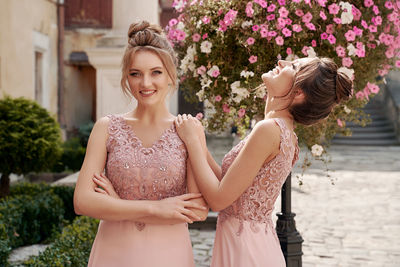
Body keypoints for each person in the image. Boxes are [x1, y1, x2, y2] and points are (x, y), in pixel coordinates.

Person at [174, 57, 352, 267]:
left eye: (293, 66)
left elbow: (219, 200)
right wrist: (199, 144)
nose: (282, 62)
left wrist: (193, 142)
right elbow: (230, 187)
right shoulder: (284, 133)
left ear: (298, 93)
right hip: (252, 244)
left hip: (246, 250)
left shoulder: (269, 130)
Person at [73, 21, 208, 267]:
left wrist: (116, 204)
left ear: (170, 75)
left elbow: (198, 210)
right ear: (127, 77)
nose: (145, 83)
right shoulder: (106, 127)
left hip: (169, 254)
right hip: (113, 252)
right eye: (136, 74)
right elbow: (82, 201)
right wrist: (155, 209)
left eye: (156, 72)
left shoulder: (188, 129)